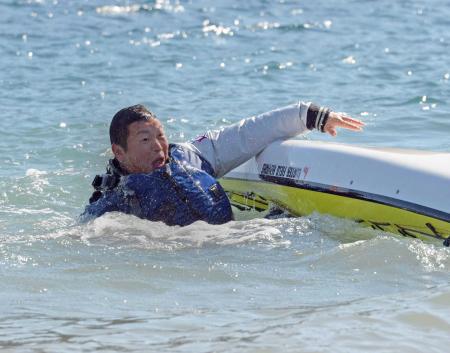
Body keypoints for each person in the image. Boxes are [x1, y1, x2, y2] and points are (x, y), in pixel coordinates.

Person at [80, 101, 364, 225]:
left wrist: (312, 116)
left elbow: (246, 134)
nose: (158, 146)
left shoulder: (189, 156)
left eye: (160, 135)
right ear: (119, 152)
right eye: (144, 140)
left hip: (236, 239)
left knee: (299, 225)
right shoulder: (114, 203)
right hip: (188, 259)